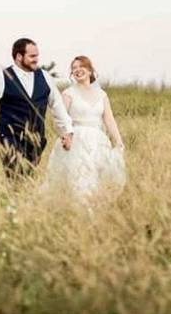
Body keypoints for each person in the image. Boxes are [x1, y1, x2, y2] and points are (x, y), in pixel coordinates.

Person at [0, 38, 74, 178]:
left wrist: (67, 131)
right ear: (19, 57)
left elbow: (57, 106)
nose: (36, 60)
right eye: (32, 56)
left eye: (37, 56)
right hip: (9, 139)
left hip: (36, 140)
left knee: (28, 179)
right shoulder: (1, 77)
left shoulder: (45, 77)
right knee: (15, 177)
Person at [43, 55, 126, 204]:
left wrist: (119, 141)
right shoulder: (68, 93)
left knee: (97, 178)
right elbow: (60, 119)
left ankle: (94, 211)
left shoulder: (102, 95)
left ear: (89, 70)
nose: (77, 70)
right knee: (80, 178)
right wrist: (65, 137)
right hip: (76, 141)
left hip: (98, 142)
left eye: (81, 66)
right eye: (74, 68)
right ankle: (79, 211)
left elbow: (109, 119)